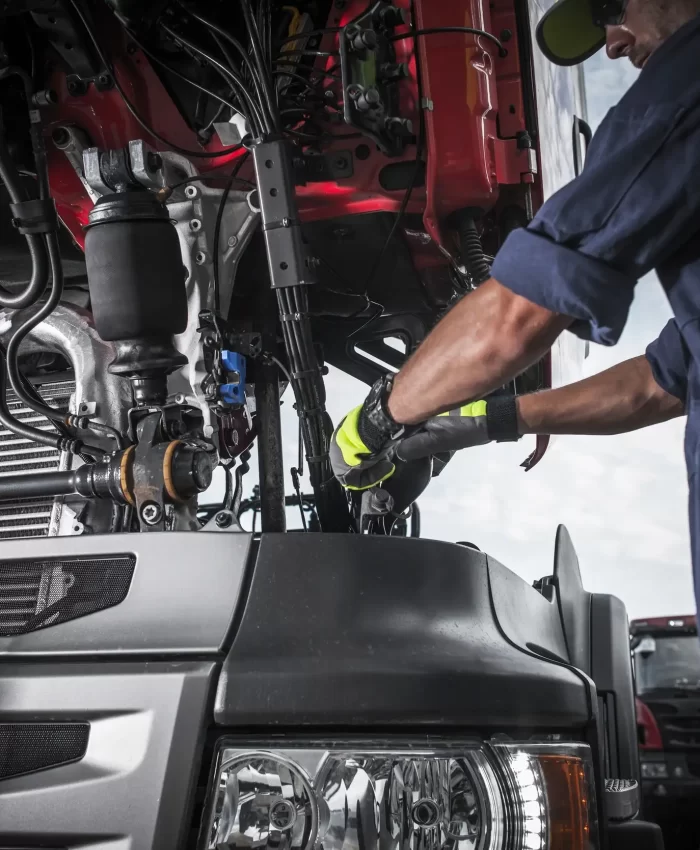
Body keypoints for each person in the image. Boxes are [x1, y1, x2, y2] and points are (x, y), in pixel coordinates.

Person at [330, 0, 700, 601]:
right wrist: (498, 418)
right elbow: (659, 383)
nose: (612, 44)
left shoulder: (682, 89)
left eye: (613, 8)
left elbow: (515, 317)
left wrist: (375, 420)